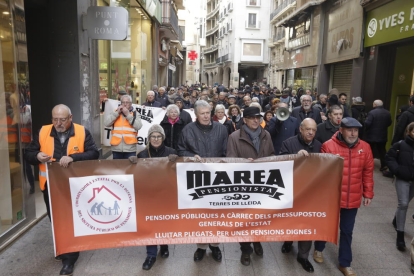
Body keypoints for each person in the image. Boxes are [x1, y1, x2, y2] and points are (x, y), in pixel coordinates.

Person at [24, 104, 99, 276]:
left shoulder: (82, 131)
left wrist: (73, 157)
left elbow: (94, 154)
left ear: (70, 118)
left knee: (70, 221)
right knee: (56, 221)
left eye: (62, 120)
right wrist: (37, 156)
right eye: (55, 119)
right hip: (49, 186)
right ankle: (63, 247)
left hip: (74, 187)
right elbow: (29, 153)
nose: (58, 123)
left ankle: (69, 259)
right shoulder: (43, 131)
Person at [314, 117, 374, 276]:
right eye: (350, 130)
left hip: (352, 197)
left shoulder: (365, 148)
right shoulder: (328, 146)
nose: (353, 134)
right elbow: (322, 172)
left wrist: (368, 193)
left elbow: (367, 172)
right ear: (341, 130)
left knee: (347, 231)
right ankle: (319, 248)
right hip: (332, 197)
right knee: (326, 225)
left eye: (356, 130)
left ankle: (345, 263)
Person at [177, 100, 228, 262]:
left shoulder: (221, 129)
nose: (206, 116)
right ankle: (201, 246)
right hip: (197, 179)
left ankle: (215, 245)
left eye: (208, 113)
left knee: (216, 215)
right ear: (196, 115)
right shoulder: (188, 130)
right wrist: (191, 157)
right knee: (200, 215)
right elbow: (180, 149)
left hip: (218, 179)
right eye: (202, 114)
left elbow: (228, 152)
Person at [226, 106, 274, 266]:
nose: (256, 120)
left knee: (260, 218)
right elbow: (230, 161)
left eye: (257, 117)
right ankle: (246, 250)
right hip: (243, 186)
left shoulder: (266, 135)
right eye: (252, 118)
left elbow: (272, 155)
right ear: (245, 119)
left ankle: (257, 241)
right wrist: (245, 164)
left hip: (262, 184)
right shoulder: (234, 137)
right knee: (244, 220)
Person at [279, 118, 321, 273]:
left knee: (307, 222)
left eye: (314, 130)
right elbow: (280, 164)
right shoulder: (288, 143)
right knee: (291, 220)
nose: (311, 132)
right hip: (291, 190)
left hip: (310, 193)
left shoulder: (319, 146)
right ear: (301, 129)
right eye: (308, 129)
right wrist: (295, 157)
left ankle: (303, 256)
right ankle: (288, 241)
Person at [134, 124, 177, 270]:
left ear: (163, 138)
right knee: (150, 224)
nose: (156, 139)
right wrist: (131, 164)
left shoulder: (171, 152)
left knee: (163, 222)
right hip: (148, 197)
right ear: (149, 138)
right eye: (153, 136)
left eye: (159, 136)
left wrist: (175, 161)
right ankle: (151, 255)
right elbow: (136, 175)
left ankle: (164, 245)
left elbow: (178, 173)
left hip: (165, 195)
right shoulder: (142, 154)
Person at [386, 122, 414, 255]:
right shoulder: (400, 145)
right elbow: (389, 157)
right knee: (403, 204)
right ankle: (400, 236)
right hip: (403, 178)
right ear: (409, 132)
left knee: (406, 202)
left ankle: (396, 219)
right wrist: (397, 170)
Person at [104, 95, 142, 159]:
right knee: (117, 168)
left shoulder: (135, 113)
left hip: (130, 149)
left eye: (127, 102)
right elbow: (106, 123)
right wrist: (117, 113)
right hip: (116, 148)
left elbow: (138, 126)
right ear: (120, 103)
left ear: (131, 104)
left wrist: (128, 115)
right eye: (123, 102)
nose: (125, 104)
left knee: (130, 168)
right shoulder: (115, 112)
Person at [365, 100, 392, 171]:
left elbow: (368, 123)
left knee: (370, 151)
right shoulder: (387, 112)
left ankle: (368, 165)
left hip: (372, 135)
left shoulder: (372, 112)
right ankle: (384, 165)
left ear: (375, 105)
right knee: (382, 151)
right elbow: (389, 123)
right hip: (382, 135)